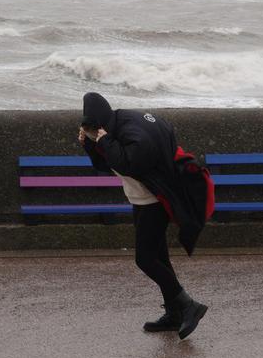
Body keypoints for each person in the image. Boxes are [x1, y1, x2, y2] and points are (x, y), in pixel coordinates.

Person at [78, 92, 210, 339]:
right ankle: (174, 313)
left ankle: (188, 305)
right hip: (141, 198)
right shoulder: (114, 126)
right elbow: (106, 165)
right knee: (160, 256)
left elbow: (130, 163)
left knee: (145, 259)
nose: (94, 133)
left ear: (103, 122)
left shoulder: (133, 133)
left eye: (95, 129)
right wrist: (90, 144)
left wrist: (103, 142)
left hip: (154, 201)